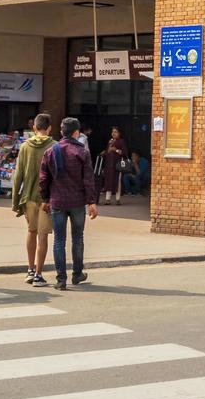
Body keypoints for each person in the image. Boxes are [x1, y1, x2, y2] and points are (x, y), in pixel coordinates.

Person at [39, 116, 98, 290]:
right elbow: (88, 180)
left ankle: (61, 279)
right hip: (77, 202)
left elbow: (43, 179)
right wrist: (92, 202)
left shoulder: (51, 151)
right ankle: (77, 273)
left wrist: (45, 199)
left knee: (59, 241)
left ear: (61, 132)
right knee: (78, 239)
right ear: (76, 132)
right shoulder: (82, 152)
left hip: (57, 202)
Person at [11, 113, 55, 286]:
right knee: (43, 236)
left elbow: (18, 175)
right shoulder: (54, 146)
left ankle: (29, 269)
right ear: (50, 127)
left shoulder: (25, 147)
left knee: (31, 231)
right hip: (46, 198)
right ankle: (38, 274)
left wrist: (15, 201)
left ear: (34, 128)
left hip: (28, 196)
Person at [99, 127, 127, 205]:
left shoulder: (121, 141)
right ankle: (108, 199)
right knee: (108, 180)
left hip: (117, 164)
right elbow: (108, 151)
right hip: (109, 165)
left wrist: (116, 150)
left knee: (117, 180)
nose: (113, 133)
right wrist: (105, 152)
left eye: (115, 132)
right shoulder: (110, 141)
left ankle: (118, 199)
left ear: (119, 133)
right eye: (112, 132)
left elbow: (124, 153)